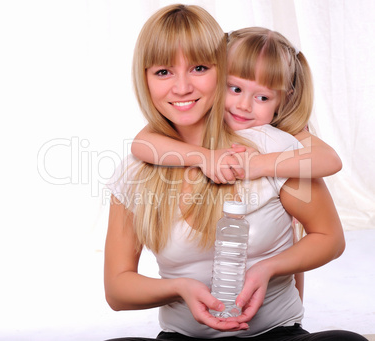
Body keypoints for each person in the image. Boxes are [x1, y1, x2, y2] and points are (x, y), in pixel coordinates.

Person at [104, 4, 365, 341]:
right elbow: (117, 290)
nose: (182, 87)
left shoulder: (273, 144)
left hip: (275, 333)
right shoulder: (137, 170)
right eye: (163, 72)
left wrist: (269, 268)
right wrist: (181, 288)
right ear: (144, 79)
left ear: (220, 68)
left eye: (198, 68)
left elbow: (329, 234)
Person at [130, 26, 343, 301]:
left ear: (284, 99)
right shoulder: (197, 123)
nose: (244, 106)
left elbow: (330, 159)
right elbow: (141, 143)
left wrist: (261, 165)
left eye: (262, 97)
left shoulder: (283, 136)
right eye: (235, 88)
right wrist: (203, 157)